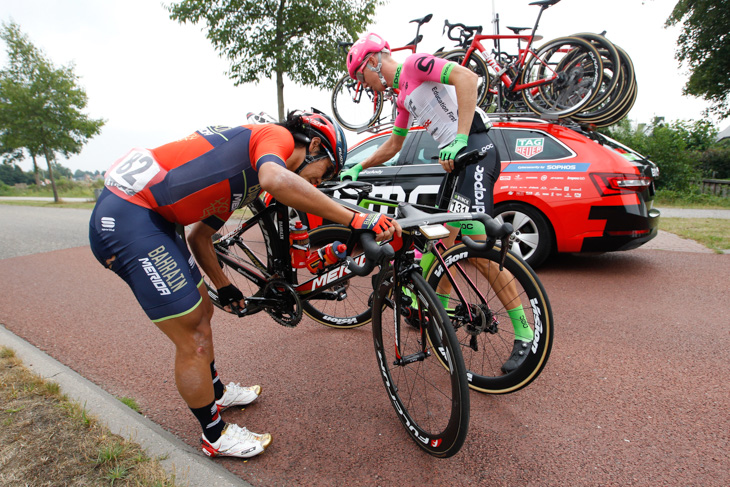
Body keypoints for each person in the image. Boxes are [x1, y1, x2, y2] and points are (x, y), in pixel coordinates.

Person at [89, 110, 400, 459]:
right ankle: (215, 436)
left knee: (203, 311)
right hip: (129, 217)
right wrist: (358, 218)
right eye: (326, 170)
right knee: (191, 335)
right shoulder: (274, 137)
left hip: (156, 219)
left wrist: (224, 286)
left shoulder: (245, 177)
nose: (318, 181)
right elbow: (276, 180)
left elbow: (201, 237)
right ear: (313, 145)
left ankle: (216, 391)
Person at [342, 33, 533, 374]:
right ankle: (438, 322)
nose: (364, 85)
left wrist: (459, 138)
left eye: (361, 77)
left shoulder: (415, 65)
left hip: (476, 150)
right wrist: (359, 166)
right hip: (460, 162)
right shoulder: (402, 97)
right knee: (445, 248)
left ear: (372, 61)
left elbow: (467, 77)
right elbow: (393, 147)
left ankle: (524, 333)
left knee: (477, 249)